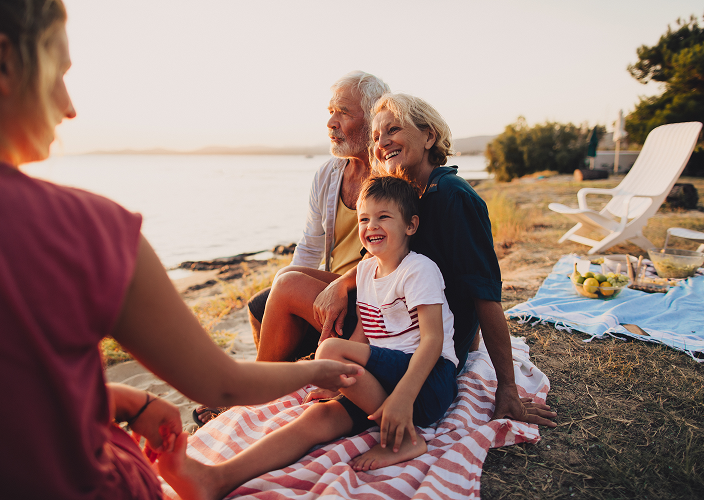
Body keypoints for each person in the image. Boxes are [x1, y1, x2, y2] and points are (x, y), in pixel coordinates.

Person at [0, 2, 362, 498]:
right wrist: (318, 370)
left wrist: (123, 398)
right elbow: (220, 384)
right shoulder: (88, 229)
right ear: (5, 65)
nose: (70, 106)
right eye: (59, 73)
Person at [261, 92, 558, 427]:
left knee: (287, 284)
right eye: (376, 137)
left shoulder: (453, 197)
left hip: (415, 333)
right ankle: (271, 380)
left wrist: (507, 388)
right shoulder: (405, 191)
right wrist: (343, 284)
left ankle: (254, 394)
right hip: (395, 308)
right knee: (287, 279)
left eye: (393, 130)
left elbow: (485, 296)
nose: (382, 142)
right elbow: (372, 261)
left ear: (429, 136)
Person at [158, 175, 460, 499]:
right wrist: (339, 383)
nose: (372, 225)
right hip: (384, 384)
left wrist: (400, 399)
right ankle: (217, 478)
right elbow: (363, 334)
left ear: (411, 225)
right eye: (364, 219)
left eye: (384, 217)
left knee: (328, 349)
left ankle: (406, 439)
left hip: (427, 382)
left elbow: (432, 341)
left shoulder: (419, 270)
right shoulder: (366, 272)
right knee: (319, 416)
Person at [195, 71, 390, 426]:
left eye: (343, 112)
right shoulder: (329, 174)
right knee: (265, 300)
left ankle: (247, 394)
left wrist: (312, 287)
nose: (331, 123)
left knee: (285, 287)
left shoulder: (391, 176)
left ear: (374, 115)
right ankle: (276, 381)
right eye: (330, 111)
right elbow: (311, 245)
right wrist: (282, 289)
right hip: (331, 286)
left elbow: (392, 257)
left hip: (370, 292)